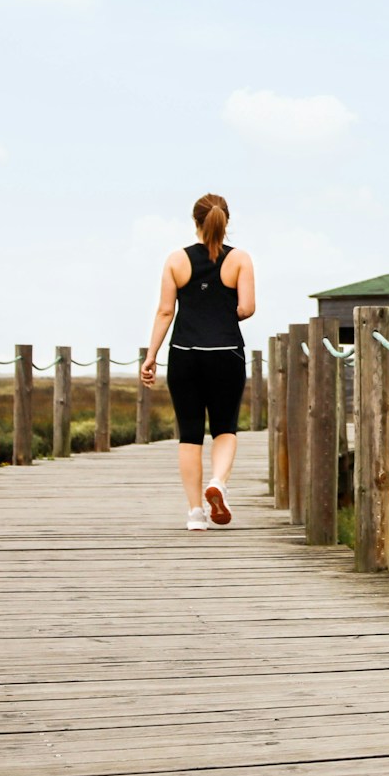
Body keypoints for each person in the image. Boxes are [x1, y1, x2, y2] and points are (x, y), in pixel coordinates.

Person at [142, 193, 257, 532]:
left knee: (190, 434)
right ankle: (218, 483)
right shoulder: (241, 260)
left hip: (184, 353)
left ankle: (195, 514)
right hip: (226, 354)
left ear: (196, 222)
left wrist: (151, 356)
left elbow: (165, 311)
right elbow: (247, 308)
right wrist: (223, 310)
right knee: (225, 428)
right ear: (225, 221)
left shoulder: (176, 260)